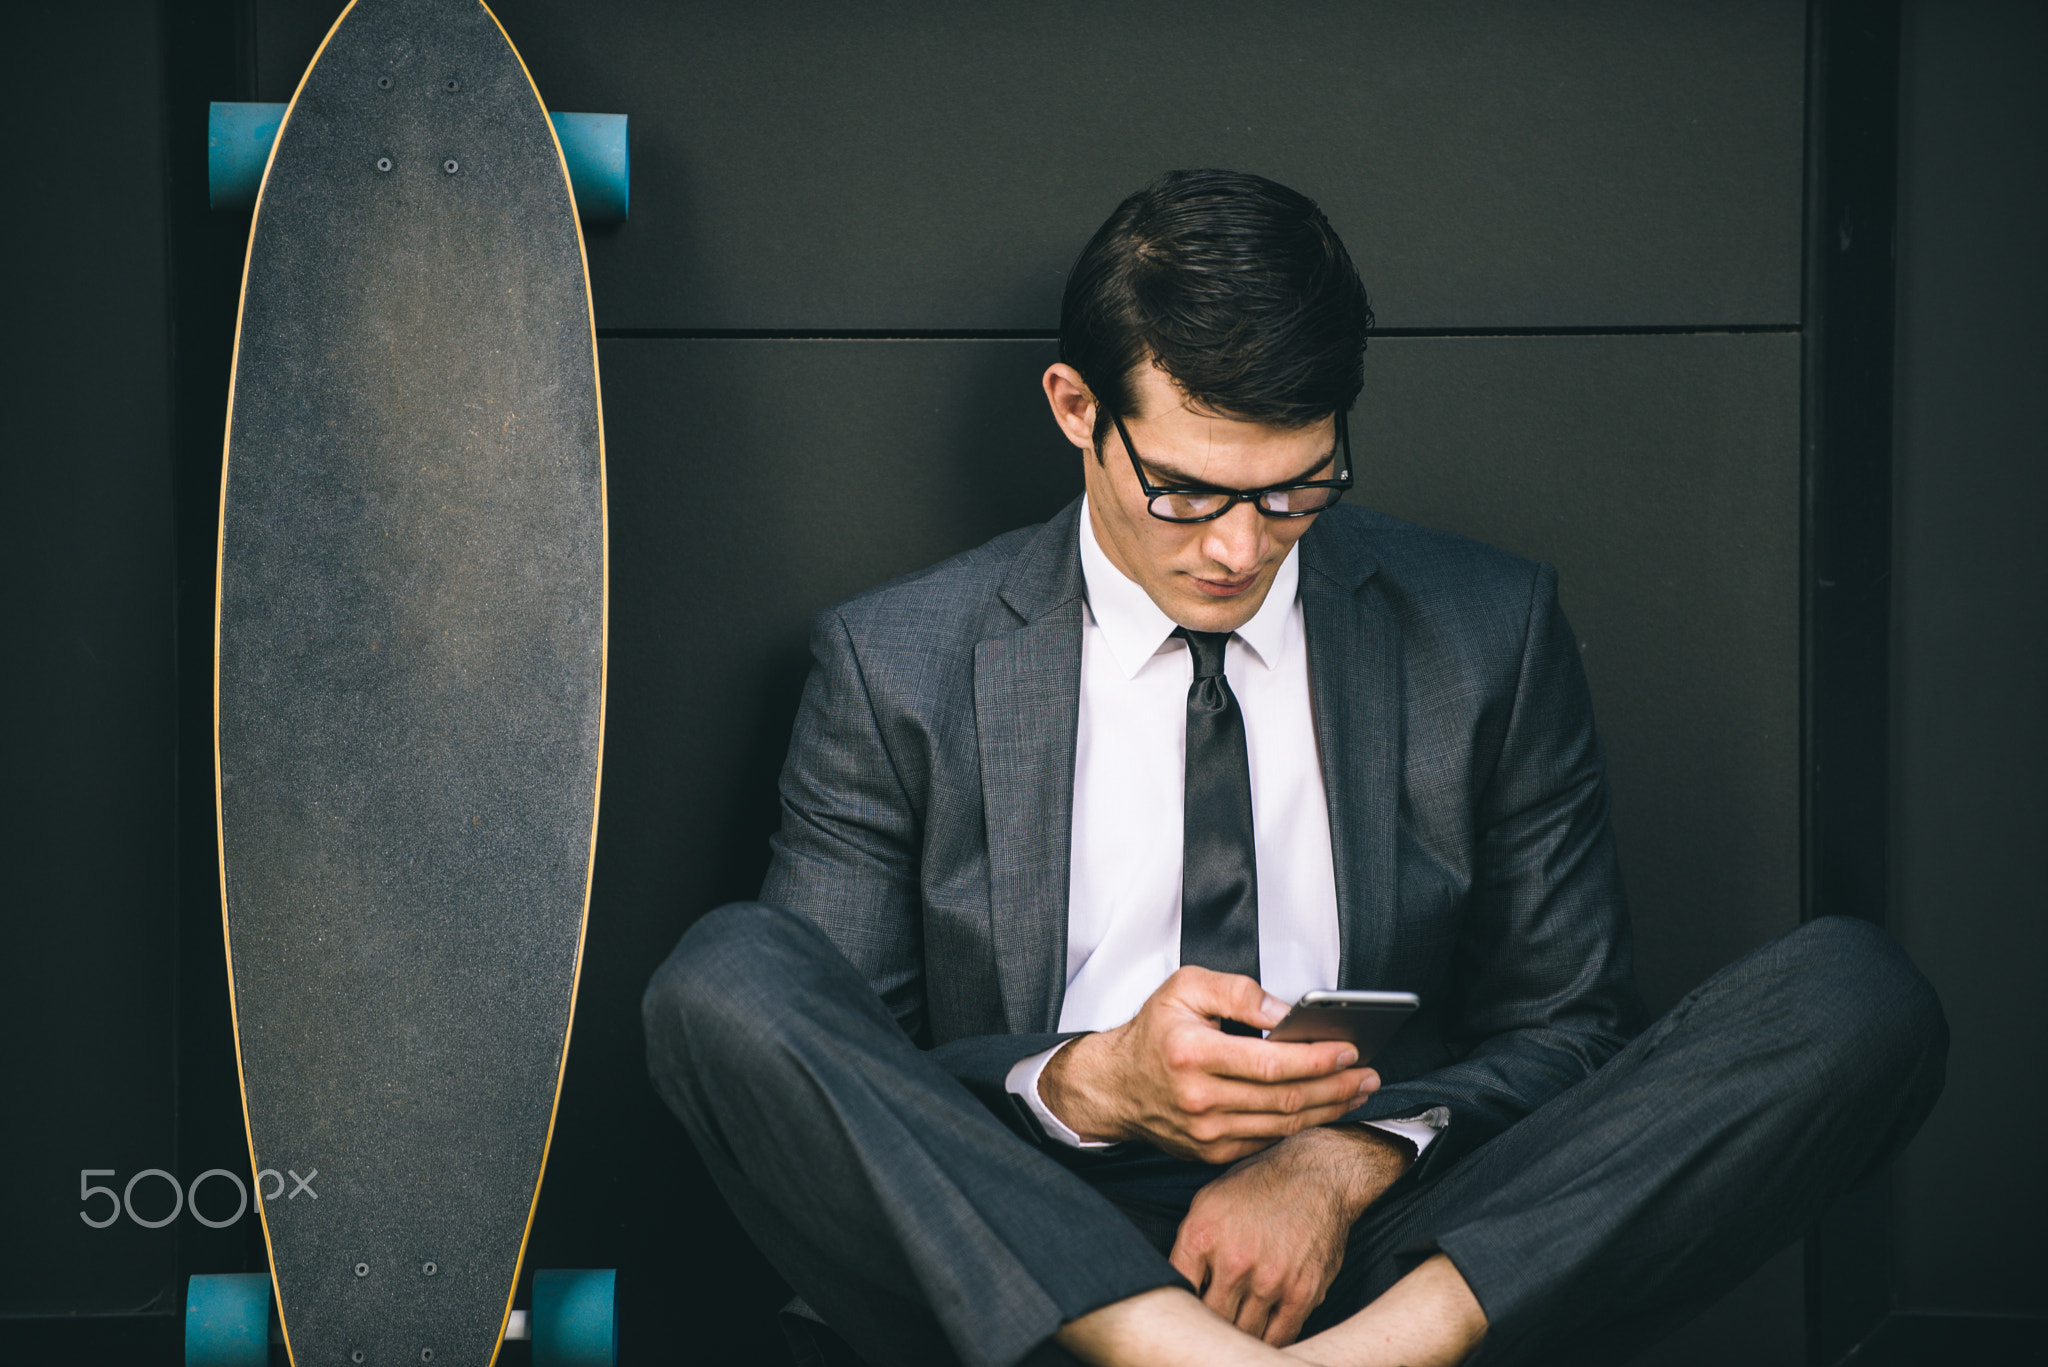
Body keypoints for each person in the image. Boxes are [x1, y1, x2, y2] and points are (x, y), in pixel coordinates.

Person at [642, 170, 1946, 1367]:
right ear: (1076, 410)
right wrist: (1091, 1084)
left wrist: (1341, 1161)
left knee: (1855, 996)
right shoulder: (896, 667)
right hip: (1025, 1260)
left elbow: (1573, 1033)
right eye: (1189, 493)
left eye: (1294, 491)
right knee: (726, 978)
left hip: (1391, 1264)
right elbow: (842, 1075)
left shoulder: (1489, 633)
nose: (1238, 550)